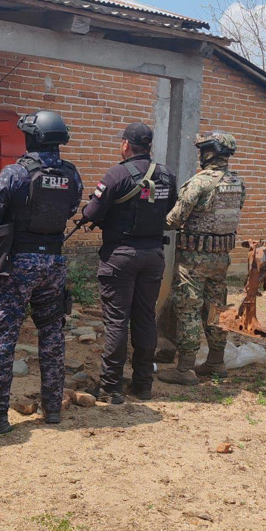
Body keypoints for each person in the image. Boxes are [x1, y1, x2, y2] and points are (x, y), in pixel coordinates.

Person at [0, 110, 83, 434]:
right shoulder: (72, 174)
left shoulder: (15, 173)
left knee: (3, 337)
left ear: (31, 137)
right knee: (53, 334)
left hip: (17, 264)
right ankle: (53, 409)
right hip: (54, 263)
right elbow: (71, 209)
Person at [81, 123, 176, 402]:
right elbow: (170, 208)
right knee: (146, 318)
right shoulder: (167, 175)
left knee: (117, 322)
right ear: (149, 145)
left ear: (125, 145)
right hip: (153, 255)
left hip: (120, 257)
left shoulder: (117, 173)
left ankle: (112, 387)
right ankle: (143, 384)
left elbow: (93, 211)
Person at [158, 131, 245, 386]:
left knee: (189, 308)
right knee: (219, 308)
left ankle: (184, 369)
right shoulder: (238, 183)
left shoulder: (199, 182)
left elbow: (174, 220)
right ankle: (216, 362)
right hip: (221, 257)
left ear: (208, 153)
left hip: (194, 259)